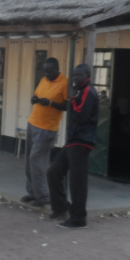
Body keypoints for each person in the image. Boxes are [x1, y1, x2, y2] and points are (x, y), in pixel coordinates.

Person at [47, 64, 99, 229]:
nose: (75, 78)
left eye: (79, 75)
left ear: (87, 76)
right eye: (74, 75)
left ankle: (78, 218)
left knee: (77, 181)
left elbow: (81, 116)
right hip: (73, 140)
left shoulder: (88, 91)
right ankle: (61, 207)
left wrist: (72, 99)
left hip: (82, 141)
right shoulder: (81, 91)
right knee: (53, 171)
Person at [21, 58, 69, 207]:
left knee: (36, 160)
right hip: (33, 123)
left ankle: (43, 195)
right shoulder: (43, 80)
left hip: (47, 128)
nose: (46, 74)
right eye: (45, 71)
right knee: (28, 160)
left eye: (49, 71)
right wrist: (34, 99)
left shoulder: (64, 83)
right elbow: (36, 96)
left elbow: (68, 106)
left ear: (57, 69)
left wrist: (51, 103)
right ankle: (32, 192)